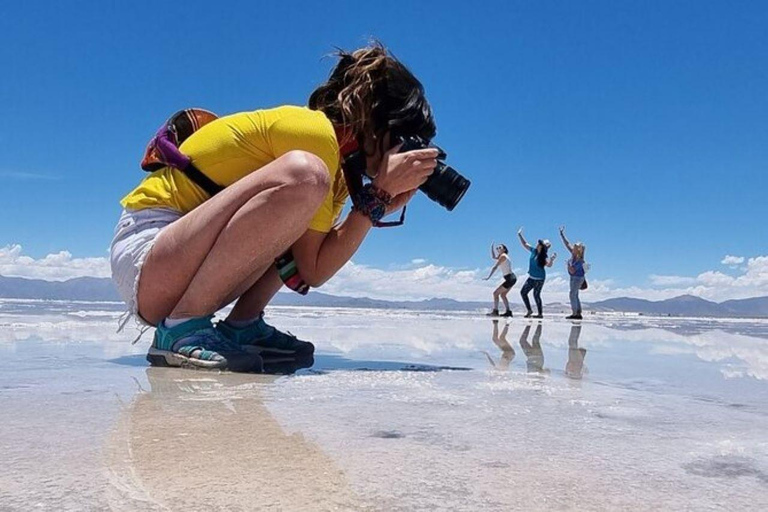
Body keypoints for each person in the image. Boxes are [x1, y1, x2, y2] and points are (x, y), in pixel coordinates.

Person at [110, 43, 440, 371]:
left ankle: (243, 324)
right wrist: (378, 194)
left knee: (305, 211)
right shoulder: (316, 134)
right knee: (304, 174)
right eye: (404, 139)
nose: (404, 154)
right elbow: (312, 262)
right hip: (147, 254)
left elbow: (313, 268)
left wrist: (375, 203)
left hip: (177, 265)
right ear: (377, 119)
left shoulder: (340, 172)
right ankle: (180, 328)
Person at [517, 228, 556, 318]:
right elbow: (525, 244)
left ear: (542, 247)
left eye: (540, 244)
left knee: (536, 295)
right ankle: (529, 310)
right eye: (538, 243)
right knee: (523, 292)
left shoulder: (543, 256)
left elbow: (549, 265)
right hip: (531, 277)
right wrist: (520, 235)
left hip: (539, 278)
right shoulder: (533, 251)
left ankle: (540, 314)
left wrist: (552, 259)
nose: (538, 244)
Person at [559, 226, 587, 320]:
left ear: (579, 250)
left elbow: (572, 271)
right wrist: (562, 234)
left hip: (576, 278)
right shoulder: (574, 255)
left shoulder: (580, 260)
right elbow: (567, 244)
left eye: (575, 247)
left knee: (572, 294)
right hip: (575, 278)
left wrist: (567, 265)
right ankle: (578, 312)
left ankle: (575, 313)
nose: (573, 248)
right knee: (575, 294)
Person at [483, 243, 517, 317]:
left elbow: (495, 267)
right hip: (512, 278)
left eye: (499, 248)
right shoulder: (503, 256)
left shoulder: (503, 256)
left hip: (510, 278)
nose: (498, 249)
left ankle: (495, 311)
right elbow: (493, 257)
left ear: (504, 249)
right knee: (503, 295)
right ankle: (508, 312)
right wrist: (491, 248)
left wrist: (488, 277)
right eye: (497, 248)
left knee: (495, 293)